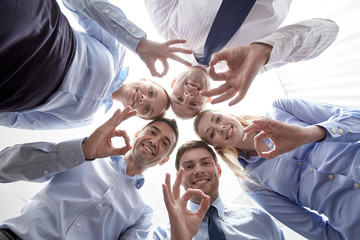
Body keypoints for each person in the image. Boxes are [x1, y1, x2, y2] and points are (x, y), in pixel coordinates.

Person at [0, 0, 192, 129]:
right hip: (40, 30)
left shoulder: (86, 120)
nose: (144, 100)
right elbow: (83, 3)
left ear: (137, 115)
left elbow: (21, 120)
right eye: (151, 93)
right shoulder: (118, 52)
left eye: (147, 109)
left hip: (12, 89)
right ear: (145, 79)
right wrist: (139, 42)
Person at [0, 107, 179, 239]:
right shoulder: (83, 155)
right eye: (153, 132)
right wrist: (82, 151)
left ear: (165, 160)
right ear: (138, 134)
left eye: (165, 143)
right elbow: (4, 167)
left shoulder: (143, 214)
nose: (155, 141)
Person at [193, 97, 360, 240]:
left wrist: (310, 134)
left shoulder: (280, 109)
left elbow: (356, 118)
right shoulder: (253, 183)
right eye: (212, 134)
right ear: (217, 146)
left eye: (218, 119)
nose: (220, 128)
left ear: (229, 114)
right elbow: (315, 230)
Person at [144, 0, 339, 118]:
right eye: (194, 104)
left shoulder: (166, 27)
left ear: (173, 82)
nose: (188, 96)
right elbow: (329, 30)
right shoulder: (250, 67)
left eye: (178, 98)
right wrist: (263, 51)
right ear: (209, 98)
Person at [154, 140, 285, 240]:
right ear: (180, 179)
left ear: (218, 170)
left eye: (205, 163)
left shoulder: (258, 219)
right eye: (189, 166)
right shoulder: (164, 234)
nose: (198, 170)